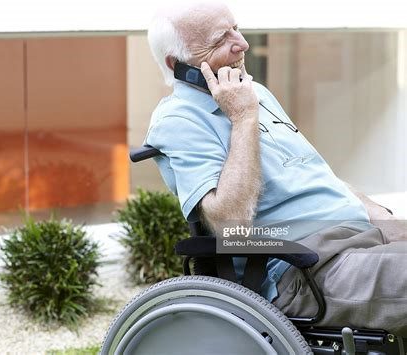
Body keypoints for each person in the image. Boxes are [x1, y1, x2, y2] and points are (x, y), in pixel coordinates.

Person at [144, 1, 407, 336]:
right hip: (307, 270)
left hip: (364, 240)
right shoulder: (179, 120)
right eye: (220, 39)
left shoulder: (256, 93)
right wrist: (242, 118)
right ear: (176, 62)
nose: (242, 44)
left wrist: (379, 214)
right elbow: (230, 224)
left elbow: (309, 172)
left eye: (235, 29)